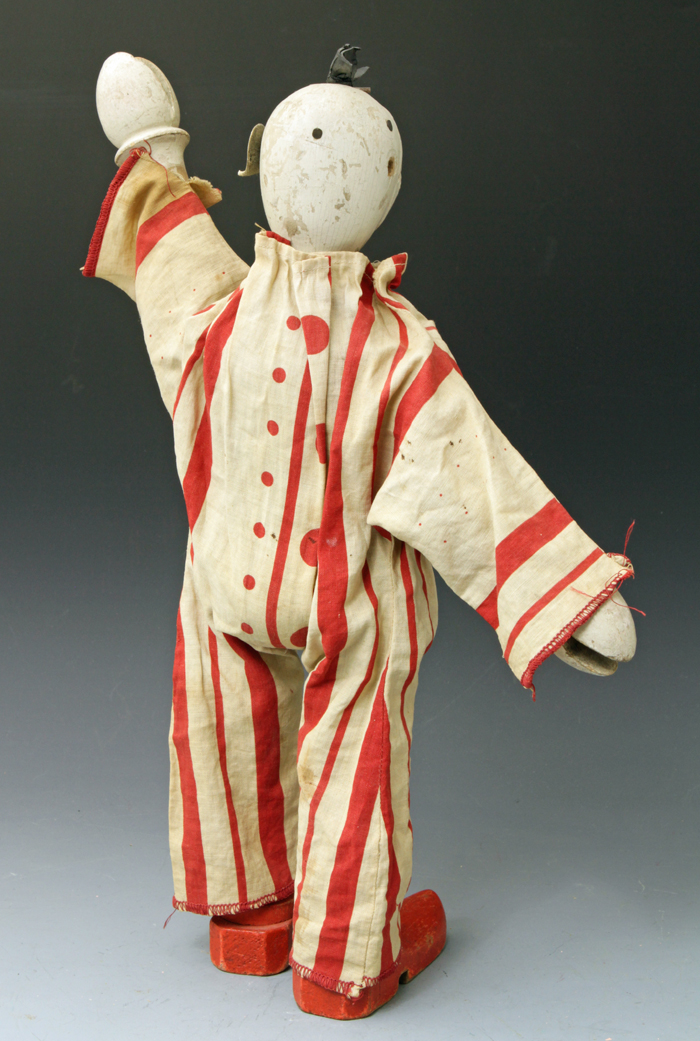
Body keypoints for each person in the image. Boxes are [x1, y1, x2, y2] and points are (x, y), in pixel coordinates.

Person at [83, 48, 636, 1020]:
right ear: (385, 183)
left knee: (226, 725)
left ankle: (249, 910)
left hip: (223, 583)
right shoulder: (398, 350)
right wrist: (568, 595)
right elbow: (474, 478)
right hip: (345, 605)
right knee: (356, 752)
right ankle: (343, 961)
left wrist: (148, 142)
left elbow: (172, 251)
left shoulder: (219, 314)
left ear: (261, 162)